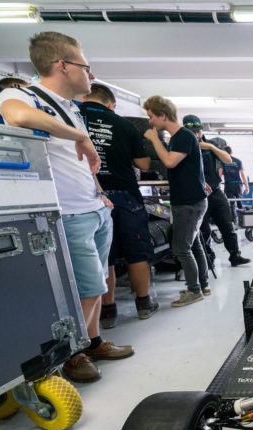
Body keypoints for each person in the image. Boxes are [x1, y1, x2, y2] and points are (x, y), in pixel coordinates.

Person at [0, 31, 134, 382]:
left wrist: (100, 191)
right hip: (67, 212)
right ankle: (75, 354)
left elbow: (80, 162)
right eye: (86, 67)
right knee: (88, 288)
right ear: (63, 65)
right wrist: (82, 136)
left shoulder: (71, 108)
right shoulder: (21, 94)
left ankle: (93, 341)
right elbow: (17, 118)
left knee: (98, 280)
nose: (90, 76)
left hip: (92, 207)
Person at [79, 83, 158, 328]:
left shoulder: (74, 117)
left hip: (89, 195)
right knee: (137, 252)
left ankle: (108, 311)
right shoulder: (125, 125)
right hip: (126, 195)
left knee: (105, 256)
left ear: (85, 98)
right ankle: (144, 304)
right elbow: (144, 165)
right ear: (111, 104)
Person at [142, 96, 210, 306]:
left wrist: (154, 139)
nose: (150, 122)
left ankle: (194, 290)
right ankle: (203, 285)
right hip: (191, 200)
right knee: (194, 244)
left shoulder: (182, 136)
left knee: (181, 248)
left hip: (188, 203)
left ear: (163, 115)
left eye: (152, 116)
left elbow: (170, 162)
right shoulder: (182, 138)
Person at [182, 115, 251, 267]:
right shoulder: (184, 147)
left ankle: (235, 256)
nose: (196, 135)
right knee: (204, 230)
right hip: (198, 194)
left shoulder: (211, 145)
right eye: (192, 132)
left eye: (197, 131)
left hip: (217, 192)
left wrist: (211, 147)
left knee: (228, 225)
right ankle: (208, 260)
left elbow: (228, 160)